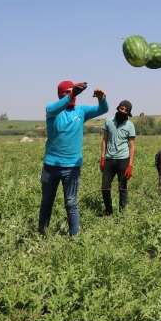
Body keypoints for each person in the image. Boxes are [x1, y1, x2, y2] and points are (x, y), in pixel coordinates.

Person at [38, 81, 108, 236]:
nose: (73, 96)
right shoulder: (53, 110)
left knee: (71, 203)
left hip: (72, 168)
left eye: (74, 92)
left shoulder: (81, 111)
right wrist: (72, 94)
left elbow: (103, 109)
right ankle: (42, 234)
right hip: (50, 167)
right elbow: (53, 107)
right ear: (60, 94)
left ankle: (75, 238)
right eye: (68, 92)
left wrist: (101, 98)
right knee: (47, 202)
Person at [100, 100, 136, 215]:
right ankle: (108, 211)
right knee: (105, 187)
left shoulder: (130, 125)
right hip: (109, 159)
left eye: (126, 110)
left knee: (122, 188)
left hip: (123, 160)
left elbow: (132, 146)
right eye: (122, 108)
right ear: (118, 108)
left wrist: (130, 165)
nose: (123, 111)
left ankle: (122, 213)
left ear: (128, 113)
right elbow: (104, 140)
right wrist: (102, 158)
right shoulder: (108, 121)